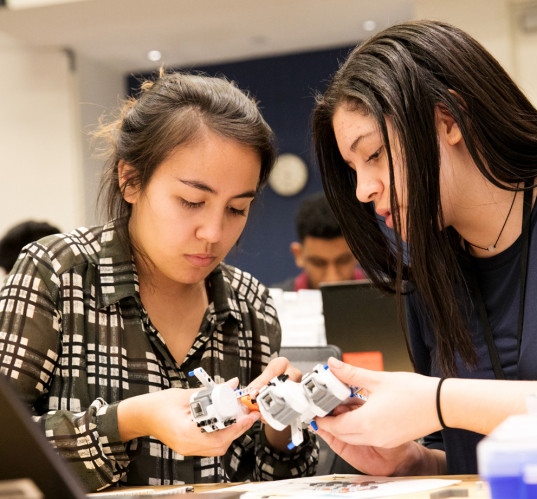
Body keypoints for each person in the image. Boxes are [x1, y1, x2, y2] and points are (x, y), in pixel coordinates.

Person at [311, 20, 537, 477]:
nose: (364, 189)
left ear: (448, 120)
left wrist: (440, 401)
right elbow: (467, 461)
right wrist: (413, 460)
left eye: (374, 155)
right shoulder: (429, 262)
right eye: (353, 169)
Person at [0, 72, 317, 491]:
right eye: (191, 201)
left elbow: (281, 479)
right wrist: (129, 420)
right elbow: (8, 453)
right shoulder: (58, 273)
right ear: (130, 180)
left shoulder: (250, 305)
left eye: (237, 209)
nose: (213, 233)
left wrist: (284, 423)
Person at [272, 192, 364, 290]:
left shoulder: (382, 296)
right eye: (318, 263)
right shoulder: (272, 303)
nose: (333, 280)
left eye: (343, 261)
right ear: (298, 254)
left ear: (359, 252)